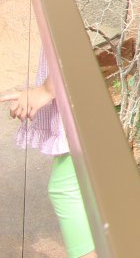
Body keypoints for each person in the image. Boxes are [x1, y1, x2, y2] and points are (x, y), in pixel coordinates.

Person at [4, 58, 95, 258]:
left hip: (79, 100)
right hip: (77, 92)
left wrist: (46, 89)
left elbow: (72, 43)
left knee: (65, 189)